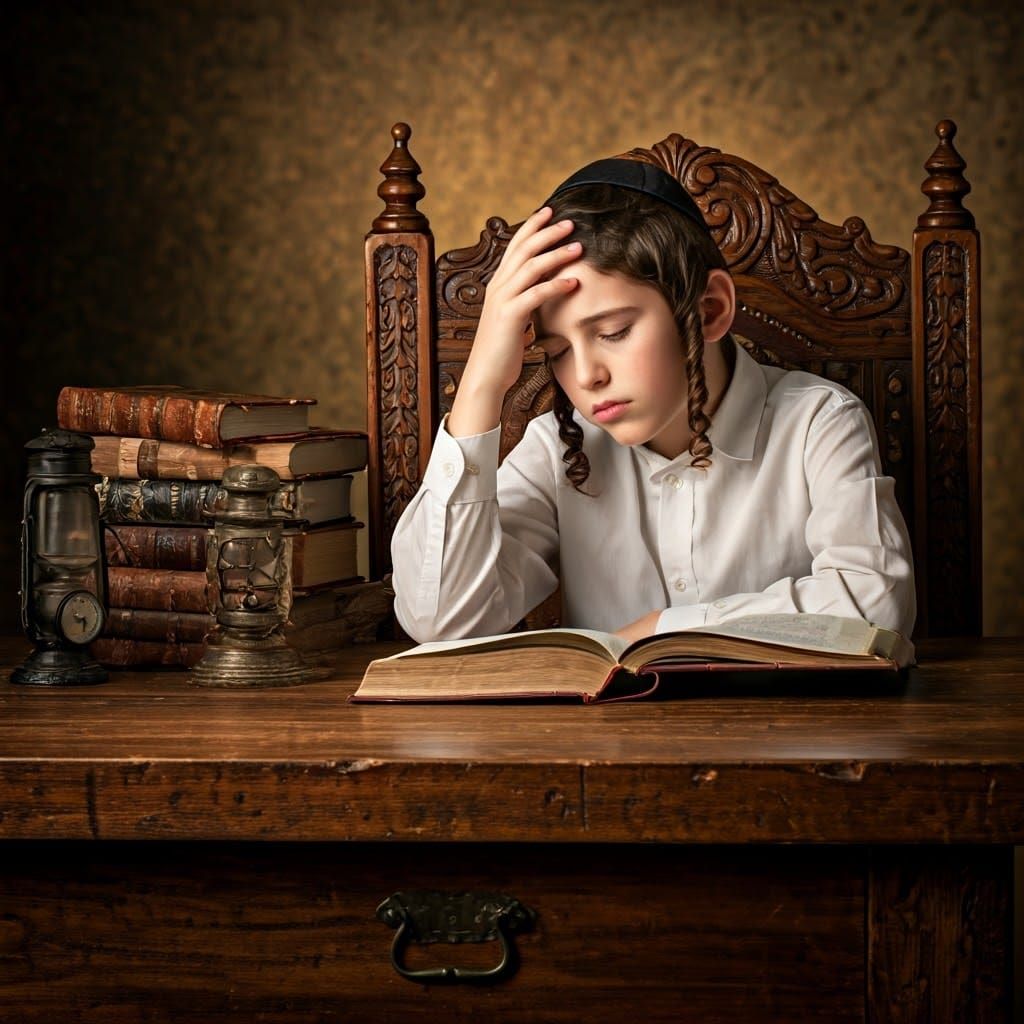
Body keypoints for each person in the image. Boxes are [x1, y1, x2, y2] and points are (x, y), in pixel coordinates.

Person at [390, 157, 916, 644]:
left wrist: (666, 630)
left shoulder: (818, 422)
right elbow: (443, 620)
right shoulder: (556, 450)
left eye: (614, 332)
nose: (588, 376)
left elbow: (878, 607)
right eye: (558, 351)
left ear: (709, 310)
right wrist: (482, 384)